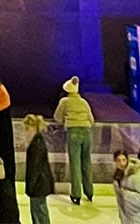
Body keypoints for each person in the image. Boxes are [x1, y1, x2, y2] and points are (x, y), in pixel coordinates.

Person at [53, 76, 95, 204]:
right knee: (86, 162)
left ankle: (76, 194)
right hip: (87, 132)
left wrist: (67, 120)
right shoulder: (84, 102)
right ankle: (89, 192)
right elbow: (91, 119)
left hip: (73, 132)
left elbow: (57, 117)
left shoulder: (64, 101)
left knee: (75, 164)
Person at [24, 113, 56, 224]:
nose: (26, 131)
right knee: (39, 211)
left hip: (38, 184)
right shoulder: (38, 142)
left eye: (27, 128)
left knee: (38, 212)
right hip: (41, 183)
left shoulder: (36, 145)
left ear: (33, 128)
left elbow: (35, 168)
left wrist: (30, 186)